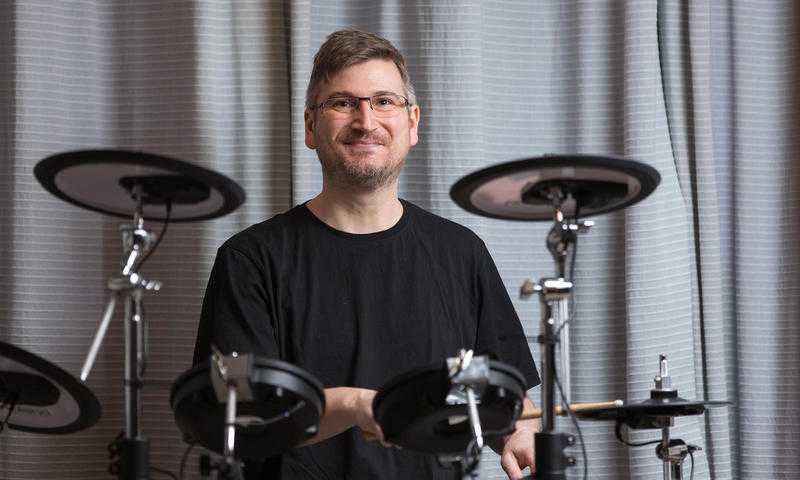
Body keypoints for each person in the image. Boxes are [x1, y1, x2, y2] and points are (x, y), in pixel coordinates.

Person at [194, 29, 541, 480]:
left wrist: (518, 430)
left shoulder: (460, 253)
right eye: (342, 102)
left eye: (384, 101)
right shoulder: (249, 260)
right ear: (309, 127)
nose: (365, 120)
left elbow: (497, 385)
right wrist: (357, 405)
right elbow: (239, 411)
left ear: (412, 123)